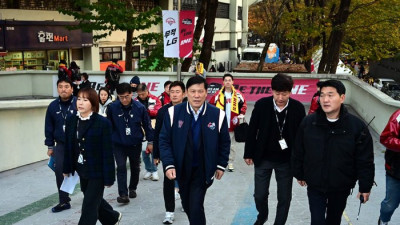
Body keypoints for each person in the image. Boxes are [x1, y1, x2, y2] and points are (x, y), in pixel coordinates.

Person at [292, 79, 375, 225]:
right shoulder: (309, 123)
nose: (325, 100)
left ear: (342, 98)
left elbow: (364, 159)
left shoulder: (356, 127)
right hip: (315, 184)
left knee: (333, 220)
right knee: (317, 221)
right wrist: (299, 173)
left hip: (341, 186)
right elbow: (299, 150)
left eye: (330, 95)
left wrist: (365, 187)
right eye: (322, 95)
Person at [159, 76, 230, 225]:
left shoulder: (218, 115)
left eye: (200, 91)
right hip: (181, 168)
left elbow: (224, 142)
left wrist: (221, 164)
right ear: (186, 93)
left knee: (196, 205)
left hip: (203, 169)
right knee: (187, 204)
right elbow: (164, 140)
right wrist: (169, 164)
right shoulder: (173, 113)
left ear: (206, 93)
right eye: (192, 91)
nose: (196, 95)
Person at [244, 73, 306, 225]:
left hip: (286, 160)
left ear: (290, 92)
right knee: (259, 195)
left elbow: (302, 138)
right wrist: (248, 153)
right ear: (272, 91)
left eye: (284, 94)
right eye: (277, 93)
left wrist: (301, 165)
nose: (280, 98)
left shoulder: (297, 108)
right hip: (263, 157)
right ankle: (262, 215)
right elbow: (252, 130)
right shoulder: (261, 105)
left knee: (284, 197)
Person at [63, 88, 122, 225]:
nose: (80, 103)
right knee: (92, 197)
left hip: (97, 171)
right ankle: (112, 218)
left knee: (89, 205)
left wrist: (109, 178)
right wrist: (67, 168)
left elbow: (107, 152)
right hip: (81, 169)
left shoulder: (103, 123)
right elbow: (68, 147)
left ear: (93, 103)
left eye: (85, 100)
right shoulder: (72, 120)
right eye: (78, 99)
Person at [107, 83, 154, 204]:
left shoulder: (140, 108)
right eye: (121, 97)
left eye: (126, 96)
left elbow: (147, 125)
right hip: (118, 143)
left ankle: (132, 187)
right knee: (121, 167)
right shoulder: (112, 108)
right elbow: (108, 126)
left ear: (132, 94)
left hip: (135, 143)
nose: (124, 99)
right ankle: (123, 194)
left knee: (135, 166)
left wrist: (150, 141)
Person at [153, 81, 186, 224]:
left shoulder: (189, 110)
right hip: (168, 153)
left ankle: (185, 203)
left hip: (186, 152)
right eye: (172, 91)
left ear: (184, 94)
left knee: (186, 180)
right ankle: (169, 212)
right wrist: (156, 154)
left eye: (178, 91)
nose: (174, 94)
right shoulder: (163, 111)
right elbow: (157, 134)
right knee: (168, 181)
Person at [44, 79, 77, 212]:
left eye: (66, 86)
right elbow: (48, 127)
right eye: (60, 87)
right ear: (57, 89)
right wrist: (50, 146)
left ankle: (91, 199)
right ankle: (64, 201)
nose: (63, 89)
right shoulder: (52, 106)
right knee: (59, 173)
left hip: (79, 144)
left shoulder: (78, 103)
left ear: (72, 89)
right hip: (61, 145)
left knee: (85, 171)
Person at [209, 73, 247, 172]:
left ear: (233, 82)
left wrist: (242, 113)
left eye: (229, 80)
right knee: (218, 143)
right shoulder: (217, 94)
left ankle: (230, 162)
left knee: (231, 145)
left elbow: (244, 105)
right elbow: (211, 105)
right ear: (223, 82)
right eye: (226, 80)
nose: (228, 82)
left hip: (233, 123)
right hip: (220, 122)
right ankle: (219, 162)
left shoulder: (238, 94)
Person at [136, 83, 162, 181]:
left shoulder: (155, 99)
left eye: (143, 94)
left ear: (147, 91)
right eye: (139, 94)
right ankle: (148, 169)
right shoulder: (135, 101)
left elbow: (158, 111)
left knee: (153, 148)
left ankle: (155, 170)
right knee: (144, 151)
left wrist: (145, 112)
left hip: (153, 124)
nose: (141, 96)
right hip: (140, 126)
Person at [378, 109, 400, 225]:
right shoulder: (399, 116)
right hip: (396, 170)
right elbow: (386, 138)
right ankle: (383, 220)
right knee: (390, 205)